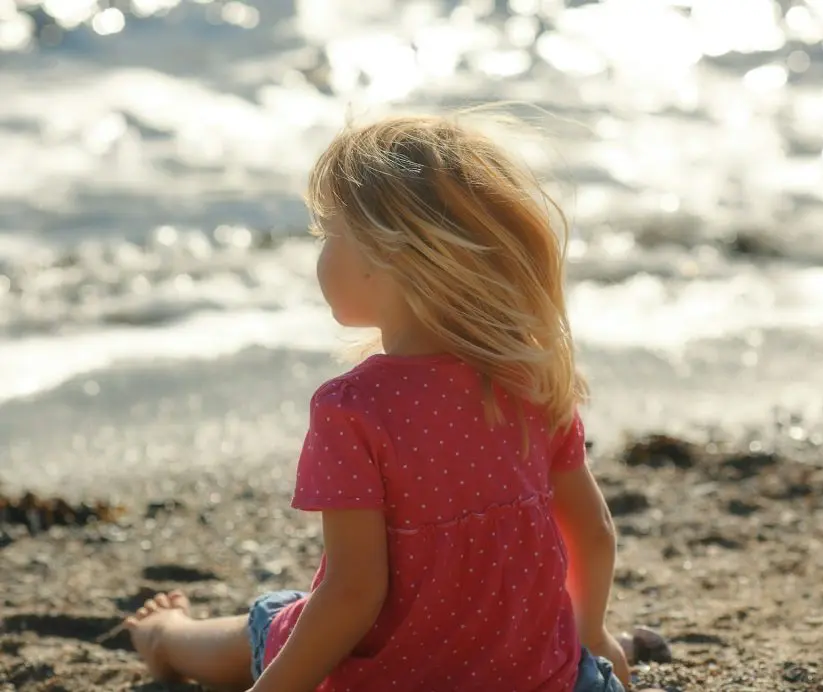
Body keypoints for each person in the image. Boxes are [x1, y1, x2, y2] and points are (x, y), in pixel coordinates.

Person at [124, 114, 630, 692]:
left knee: (273, 623)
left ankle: (165, 637)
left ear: (387, 257)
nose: (318, 252)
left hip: (393, 680)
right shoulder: (530, 380)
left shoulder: (353, 409)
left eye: (326, 234)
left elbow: (352, 595)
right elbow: (593, 533)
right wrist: (593, 636)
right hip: (539, 679)